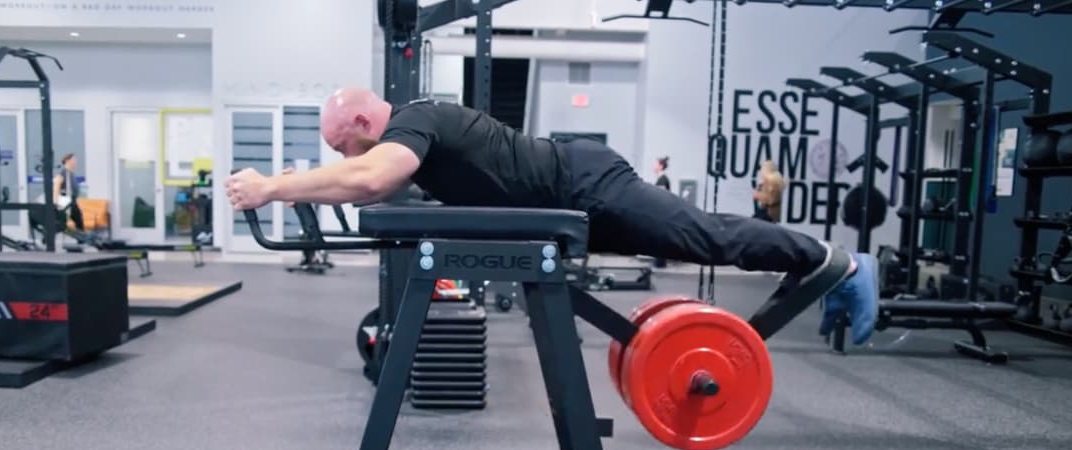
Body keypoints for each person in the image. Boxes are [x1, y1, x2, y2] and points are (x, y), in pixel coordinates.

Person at [226, 88, 878, 344]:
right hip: (573, 197)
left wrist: (273, 187)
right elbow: (361, 188)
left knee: (701, 235)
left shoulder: (416, 121)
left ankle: (837, 261)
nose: (344, 159)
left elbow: (369, 176)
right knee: (696, 246)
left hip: (586, 181)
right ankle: (820, 267)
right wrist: (291, 191)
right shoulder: (412, 141)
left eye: (344, 145)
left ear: (367, 123)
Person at [52, 153, 85, 234]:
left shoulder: (71, 173)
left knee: (78, 219)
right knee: (73, 220)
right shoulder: (62, 173)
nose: (75, 162)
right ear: (67, 161)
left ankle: (82, 239)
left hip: (72, 200)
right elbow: (56, 187)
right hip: (65, 201)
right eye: (73, 160)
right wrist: (55, 203)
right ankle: (47, 238)